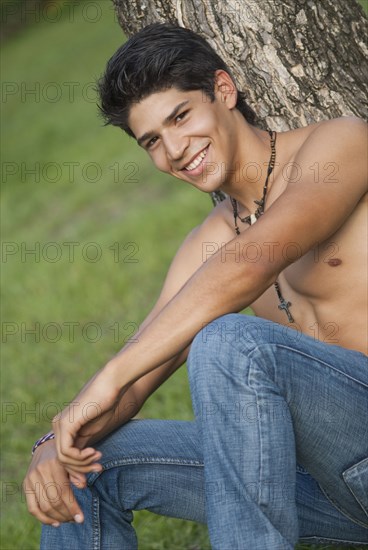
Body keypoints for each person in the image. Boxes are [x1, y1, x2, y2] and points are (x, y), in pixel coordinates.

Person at [24, 23, 368, 549]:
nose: (177, 149)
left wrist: (110, 376)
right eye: (154, 142)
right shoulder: (207, 243)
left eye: (181, 117)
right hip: (322, 486)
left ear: (224, 91)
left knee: (229, 340)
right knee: (88, 470)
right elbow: (139, 378)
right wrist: (59, 442)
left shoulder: (339, 144)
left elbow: (253, 262)